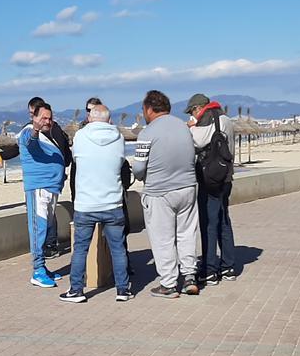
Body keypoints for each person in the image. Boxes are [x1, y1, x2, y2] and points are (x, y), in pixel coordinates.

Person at [61, 104, 133, 303]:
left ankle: (76, 290)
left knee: (81, 249)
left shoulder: (81, 137)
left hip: (86, 203)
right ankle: (123, 290)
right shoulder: (118, 137)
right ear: (109, 120)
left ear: (90, 118)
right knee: (118, 248)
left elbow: (76, 158)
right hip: (112, 202)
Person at [132, 90, 200, 298]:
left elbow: (138, 169)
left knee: (163, 238)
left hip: (159, 192)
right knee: (186, 234)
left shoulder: (147, 133)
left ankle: (169, 284)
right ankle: (189, 276)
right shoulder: (183, 127)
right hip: (188, 187)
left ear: (149, 109)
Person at [186, 93, 238, 285]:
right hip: (226, 177)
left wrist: (191, 128)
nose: (193, 115)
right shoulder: (226, 119)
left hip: (210, 180)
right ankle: (229, 267)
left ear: (198, 108)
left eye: (192, 112)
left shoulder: (207, 119)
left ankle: (209, 269)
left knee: (209, 222)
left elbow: (198, 142)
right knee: (224, 220)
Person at [18, 100, 67, 287]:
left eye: (50, 118)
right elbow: (30, 143)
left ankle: (43, 267)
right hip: (39, 188)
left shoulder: (49, 135)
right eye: (43, 118)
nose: (47, 121)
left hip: (51, 188)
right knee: (38, 228)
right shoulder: (27, 132)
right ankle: (37, 270)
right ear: (34, 117)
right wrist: (36, 130)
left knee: (46, 228)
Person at [44, 109, 73, 259]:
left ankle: (50, 244)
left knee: (49, 211)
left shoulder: (54, 131)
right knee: (49, 210)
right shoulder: (49, 130)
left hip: (52, 178)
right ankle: (49, 244)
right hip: (53, 177)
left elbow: (64, 154)